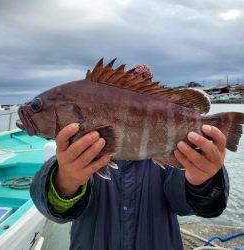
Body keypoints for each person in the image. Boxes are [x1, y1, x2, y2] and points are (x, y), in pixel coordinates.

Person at [30, 64, 229, 250]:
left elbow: (186, 204)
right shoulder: (75, 154)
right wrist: (65, 180)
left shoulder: (172, 153)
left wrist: (204, 180)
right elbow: (53, 207)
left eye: (36, 107)